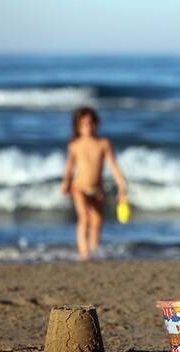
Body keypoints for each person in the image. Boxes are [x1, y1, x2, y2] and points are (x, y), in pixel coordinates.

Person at [60, 107, 127, 261]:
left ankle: (94, 249)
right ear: (77, 126)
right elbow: (69, 167)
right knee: (84, 217)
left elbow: (113, 165)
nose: (88, 127)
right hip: (79, 187)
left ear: (96, 124)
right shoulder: (75, 145)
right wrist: (66, 182)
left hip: (97, 189)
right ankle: (84, 253)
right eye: (83, 124)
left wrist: (122, 186)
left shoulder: (103, 143)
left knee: (97, 221)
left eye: (90, 123)